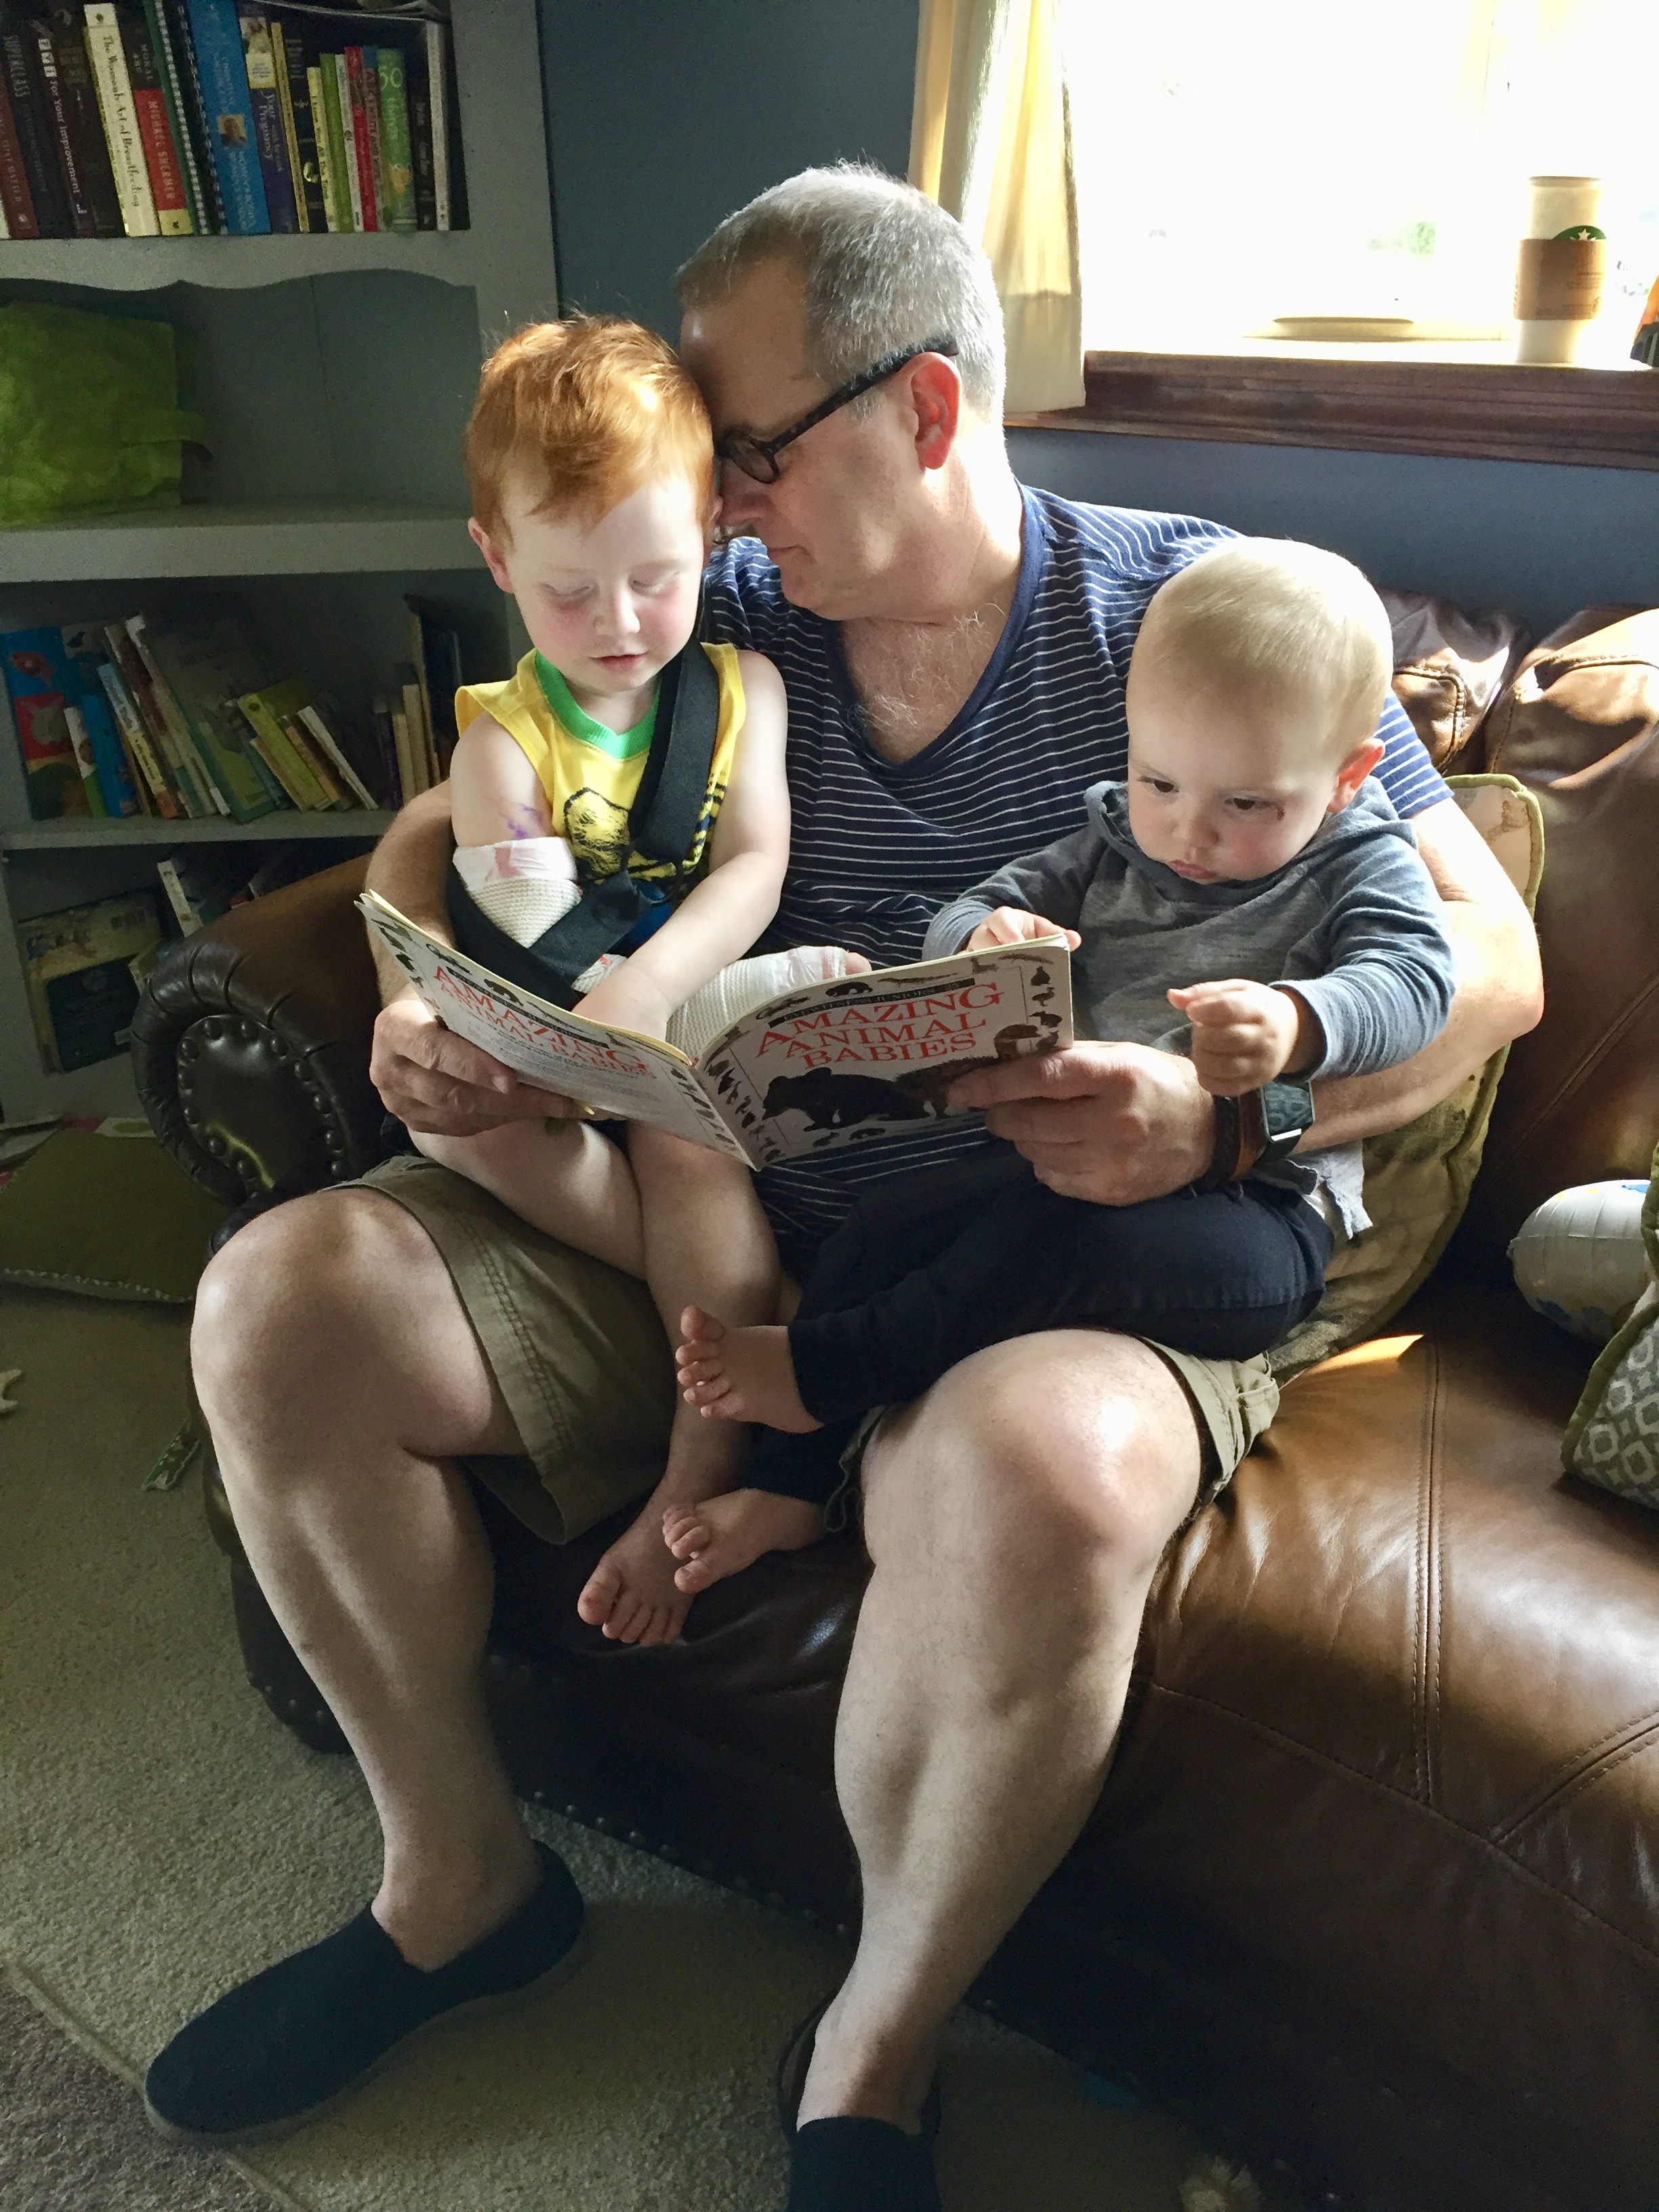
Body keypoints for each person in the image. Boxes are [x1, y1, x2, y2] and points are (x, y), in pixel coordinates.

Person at [159, 167, 1540, 2212]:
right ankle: (460, 1887)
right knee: (278, 1304)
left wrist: (1222, 1126)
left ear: (925, 407)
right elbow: (444, 821)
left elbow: (1495, 963)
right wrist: (412, 989)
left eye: (752, 453)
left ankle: (871, 2060)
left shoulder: (1193, 611)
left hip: (1062, 1240)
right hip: (699, 1204)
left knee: (1041, 1471)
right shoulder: (705, 611)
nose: (718, 507)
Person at [663, 537, 1458, 1592]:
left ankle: (827, 1373)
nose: (1189, 832)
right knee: (883, 1228)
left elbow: (1419, 980)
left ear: (1348, 778)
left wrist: (1301, 1019)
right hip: (1064, 1163)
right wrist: (982, 933)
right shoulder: (1114, 836)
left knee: (1043, 1245)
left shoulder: (1363, 858)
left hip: (1256, 1216)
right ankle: (792, 1489)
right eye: (1159, 780)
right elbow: (970, 907)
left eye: (1247, 805)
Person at [422, 313, 863, 1650]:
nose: (618, 624)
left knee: (688, 1143)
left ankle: (694, 1470)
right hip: (551, 1029)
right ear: (498, 558)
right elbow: (524, 919)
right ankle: (766, 1303)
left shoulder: (744, 691)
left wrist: (655, 990)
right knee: (451, 1127)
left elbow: (755, 862)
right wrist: (569, 1032)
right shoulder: (502, 744)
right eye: (569, 592)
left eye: (656, 579)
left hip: (685, 1025)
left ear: (714, 537)